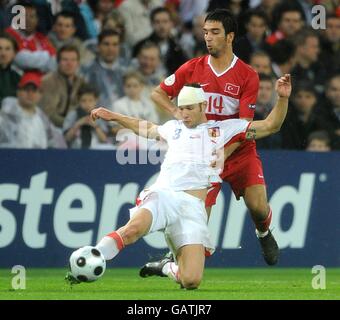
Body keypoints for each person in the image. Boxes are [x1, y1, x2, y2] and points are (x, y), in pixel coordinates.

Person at [66, 75, 291, 289]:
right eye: (181, 108)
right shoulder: (172, 128)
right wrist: (114, 116)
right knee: (132, 230)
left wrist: (282, 98)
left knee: (191, 280)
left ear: (203, 107)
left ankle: (166, 267)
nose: (183, 113)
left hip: (193, 209)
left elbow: (271, 125)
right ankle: (92, 257)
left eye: (189, 108)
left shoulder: (223, 130)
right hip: (164, 196)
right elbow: (144, 126)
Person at [142, 8, 280, 273]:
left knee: (258, 208)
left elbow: (243, 127)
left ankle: (264, 235)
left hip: (237, 150)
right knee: (195, 223)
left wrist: (221, 154)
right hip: (201, 155)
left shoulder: (247, 74)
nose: (208, 38)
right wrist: (177, 113)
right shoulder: (192, 68)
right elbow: (158, 93)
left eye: (215, 32)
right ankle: (173, 264)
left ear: (230, 37)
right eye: (205, 32)